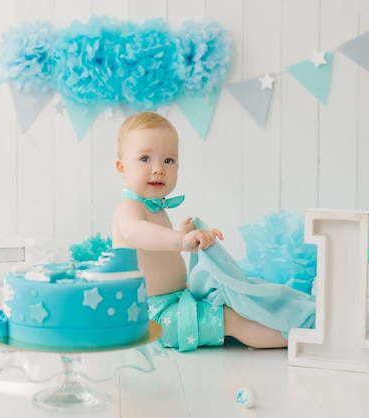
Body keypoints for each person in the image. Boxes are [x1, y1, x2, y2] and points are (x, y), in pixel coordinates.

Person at [112, 111, 288, 350]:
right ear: (122, 169)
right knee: (231, 319)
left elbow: (157, 251)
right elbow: (138, 233)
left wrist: (183, 234)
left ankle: (284, 322)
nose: (158, 169)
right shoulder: (129, 209)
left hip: (172, 300)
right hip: (147, 318)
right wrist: (180, 239)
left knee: (234, 299)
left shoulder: (152, 207)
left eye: (168, 160)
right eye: (145, 159)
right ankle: (297, 339)